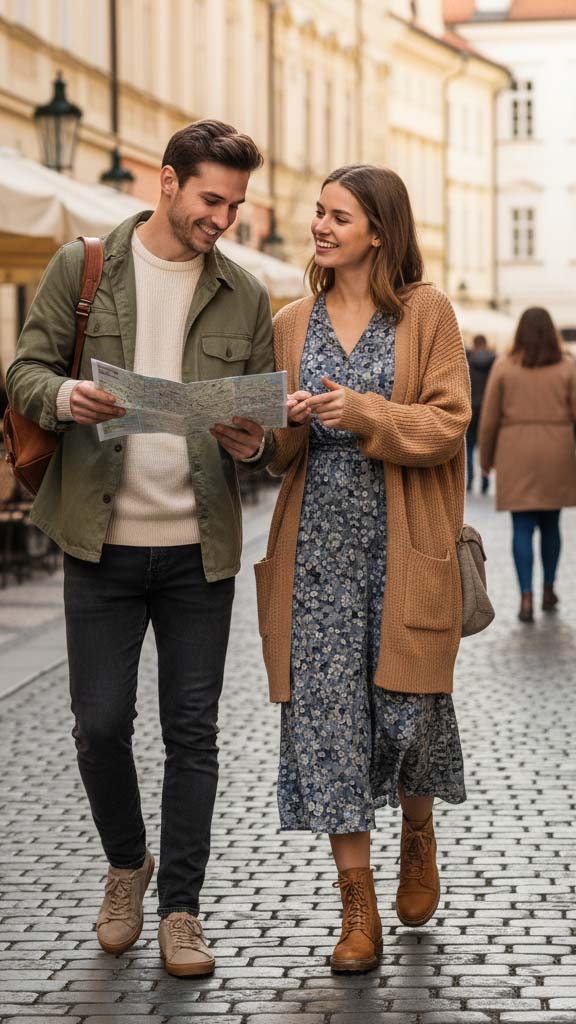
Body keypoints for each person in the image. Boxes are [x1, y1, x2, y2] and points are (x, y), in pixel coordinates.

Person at [6, 119, 274, 977]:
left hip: (199, 550)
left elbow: (260, 426)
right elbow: (24, 372)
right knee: (99, 725)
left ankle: (181, 911)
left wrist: (250, 443)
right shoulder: (82, 268)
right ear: (166, 182)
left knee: (191, 734)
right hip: (99, 540)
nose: (222, 220)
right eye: (209, 199)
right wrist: (66, 393)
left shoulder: (245, 292)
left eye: (233, 205)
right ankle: (128, 864)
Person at [255, 165, 471, 973]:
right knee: (327, 728)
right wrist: (265, 428)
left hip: (404, 545)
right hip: (315, 556)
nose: (320, 226)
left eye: (337, 216)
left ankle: (418, 833)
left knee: (409, 713)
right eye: (318, 213)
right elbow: (277, 457)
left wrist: (365, 411)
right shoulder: (290, 322)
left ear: (378, 230)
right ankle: (358, 908)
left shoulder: (427, 313)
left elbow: (449, 422)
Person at [479, 307, 576, 623]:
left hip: (515, 450)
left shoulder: (504, 367)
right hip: (557, 449)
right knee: (551, 524)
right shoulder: (567, 368)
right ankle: (549, 588)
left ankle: (525, 598)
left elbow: (489, 418)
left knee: (521, 526)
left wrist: (486, 459)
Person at [466, 334, 495, 494]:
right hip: (487, 409)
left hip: (471, 408)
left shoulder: (467, 361)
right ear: (486, 343)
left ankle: (470, 478)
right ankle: (485, 480)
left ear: (475, 344)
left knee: (469, 446)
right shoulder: (494, 362)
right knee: (485, 446)